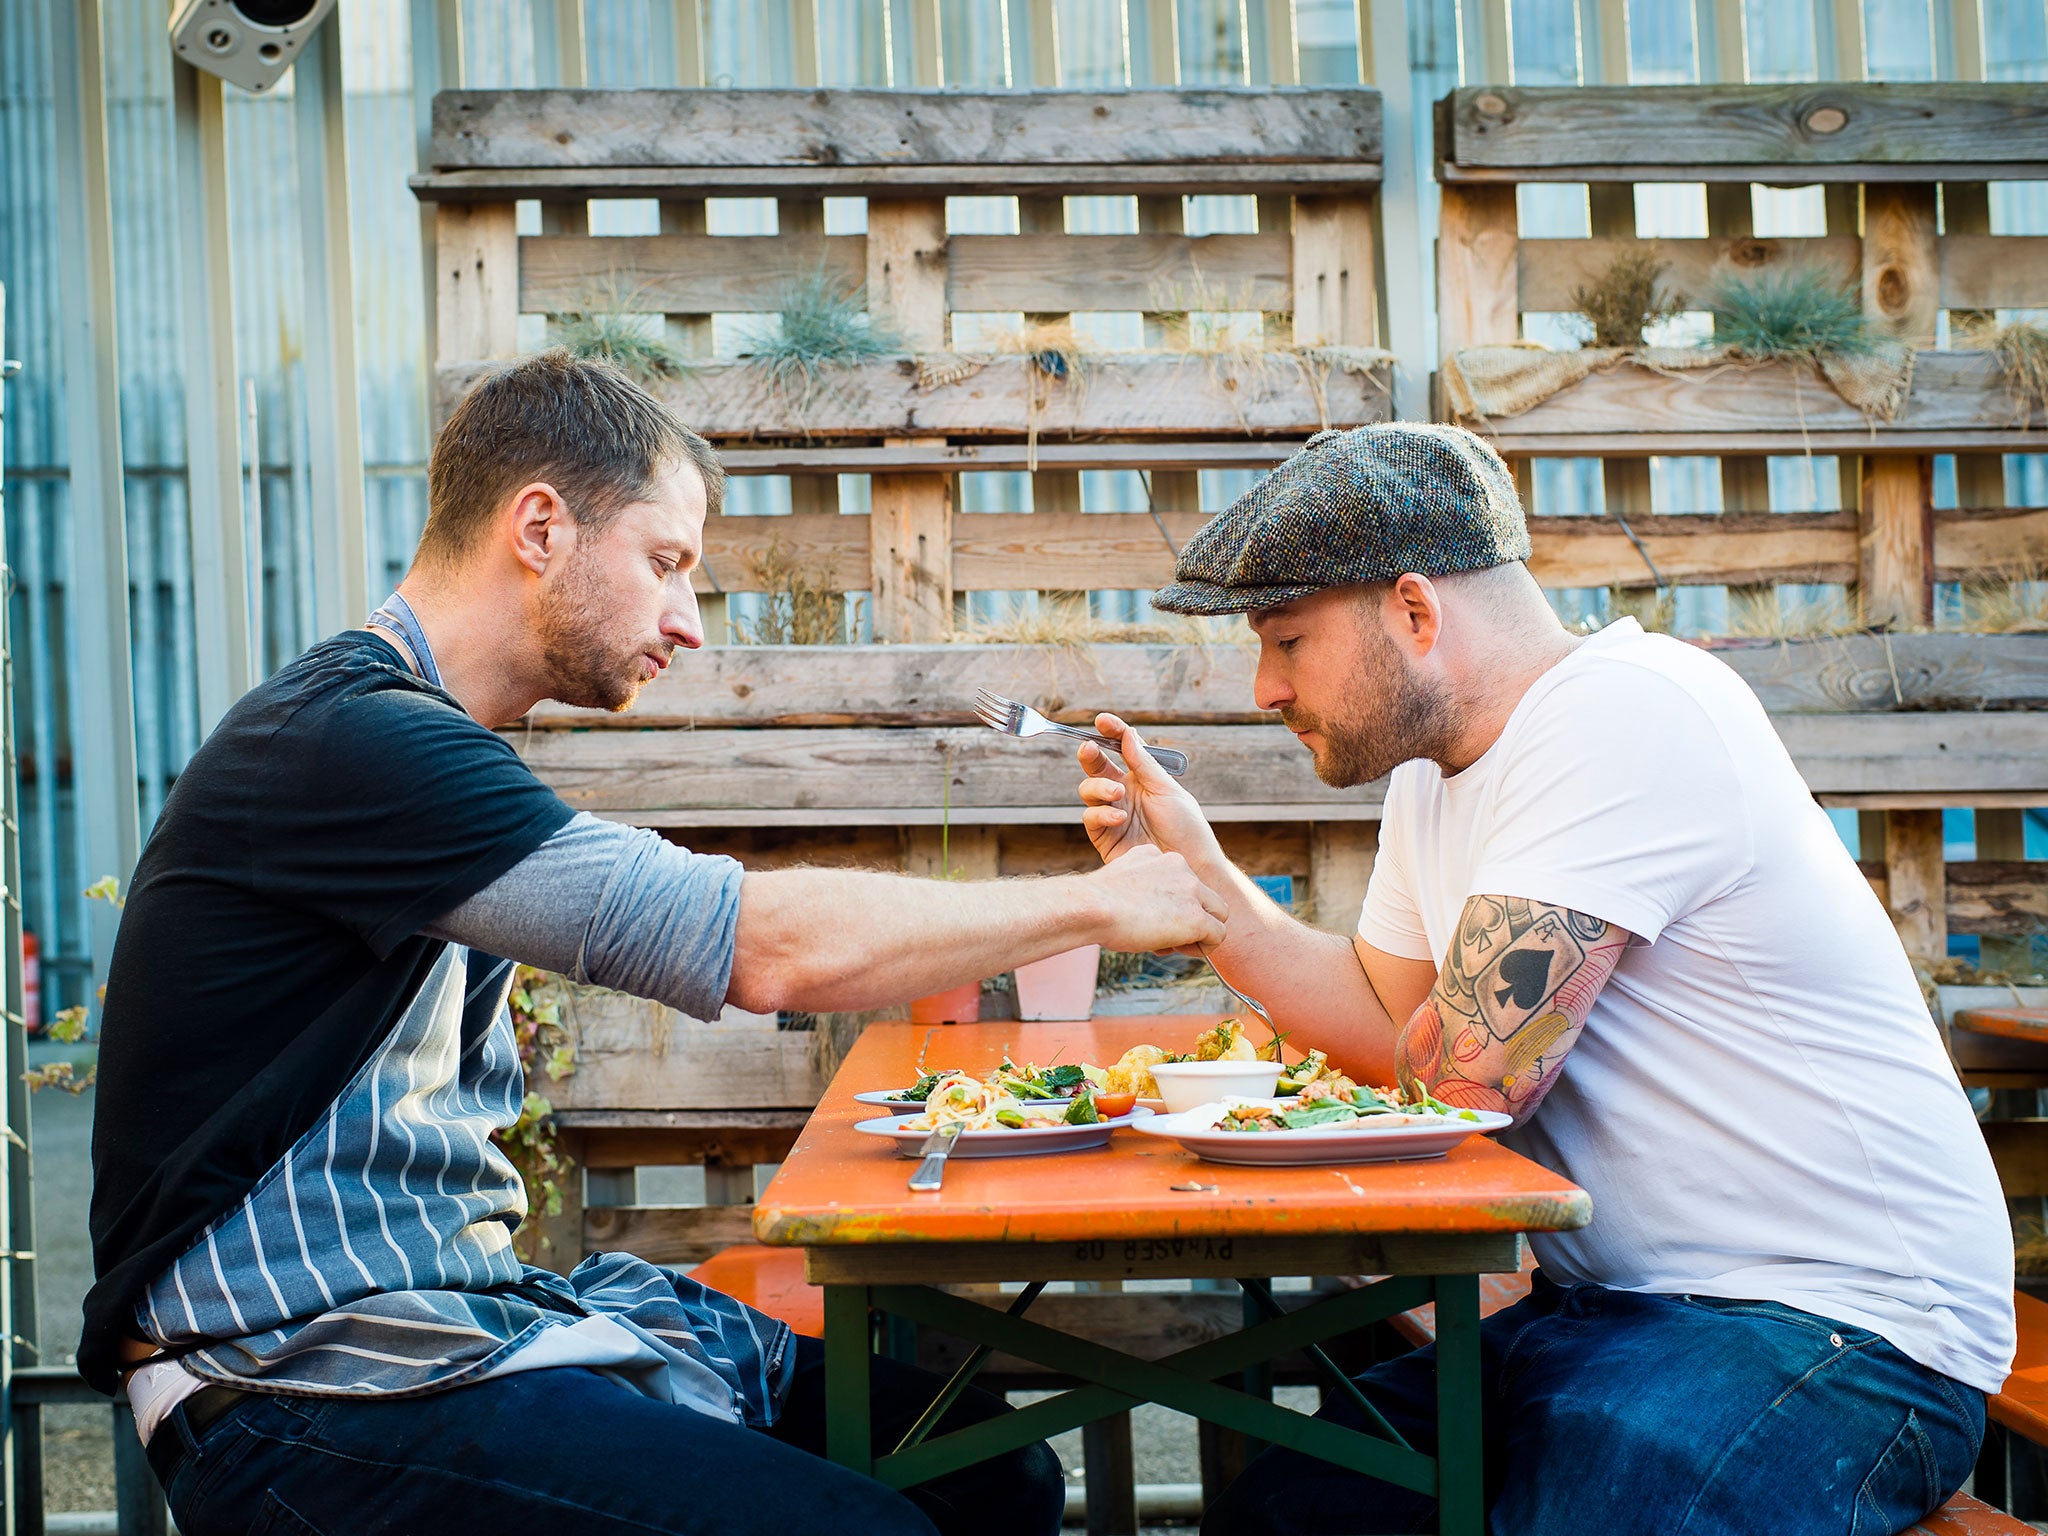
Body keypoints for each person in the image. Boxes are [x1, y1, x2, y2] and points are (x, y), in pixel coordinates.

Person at [84, 350, 1230, 1536]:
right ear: (539, 527)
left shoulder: (412, 740)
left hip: (444, 1319)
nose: (686, 622)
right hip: (291, 1385)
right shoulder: (348, 745)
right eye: (665, 564)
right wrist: (1100, 902)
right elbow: (754, 950)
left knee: (985, 1468)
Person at [1072, 423, 2015, 1536]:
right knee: (1291, 1511)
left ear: (1414, 613)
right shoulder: (1433, 779)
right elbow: (1384, 1026)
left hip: (1835, 1327)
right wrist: (1203, 890)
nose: (1261, 689)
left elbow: (1464, 1081)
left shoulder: (1626, 712)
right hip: (1607, 1312)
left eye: (1285, 641)